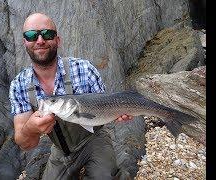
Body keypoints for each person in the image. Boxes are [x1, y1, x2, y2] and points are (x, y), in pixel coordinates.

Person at [9, 12, 133, 180]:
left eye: (47, 34)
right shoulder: (19, 85)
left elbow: (107, 104)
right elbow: (26, 143)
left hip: (95, 138)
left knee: (106, 177)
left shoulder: (84, 68)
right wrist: (31, 128)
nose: (40, 40)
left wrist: (121, 112)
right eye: (31, 36)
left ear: (57, 40)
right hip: (61, 149)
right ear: (25, 42)